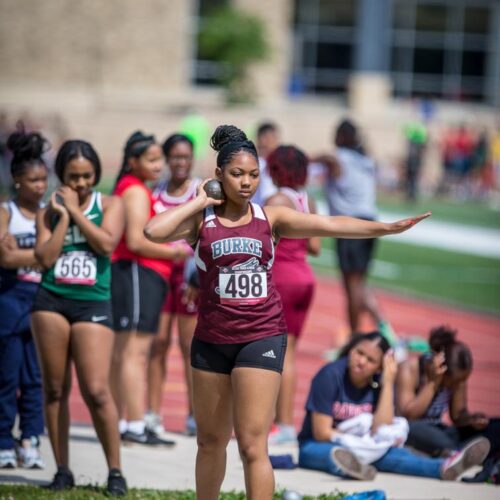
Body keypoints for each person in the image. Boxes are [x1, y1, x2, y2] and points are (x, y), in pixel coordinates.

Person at [144, 124, 431, 499]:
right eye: (236, 174)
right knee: (210, 442)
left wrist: (386, 228)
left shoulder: (271, 219)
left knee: (251, 446)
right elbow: (153, 231)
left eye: (252, 175)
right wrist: (199, 201)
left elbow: (330, 225)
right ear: (218, 176)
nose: (246, 182)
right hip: (212, 340)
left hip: (261, 337)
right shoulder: (202, 221)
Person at [31, 139, 127, 494]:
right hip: (52, 300)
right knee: (55, 389)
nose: (82, 183)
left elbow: (105, 244)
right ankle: (62, 468)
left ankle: (115, 471)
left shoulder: (111, 204)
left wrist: (79, 213)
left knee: (97, 390)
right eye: (73, 177)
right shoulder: (48, 210)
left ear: (96, 174)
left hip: (93, 303)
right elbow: (44, 258)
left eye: (87, 176)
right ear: (62, 177)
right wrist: (64, 217)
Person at [297, 331, 490, 481]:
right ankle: (353, 468)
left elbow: (382, 428)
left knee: (394, 455)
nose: (361, 361)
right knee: (337, 455)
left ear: (380, 366)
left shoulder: (379, 382)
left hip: (364, 446)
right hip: (318, 446)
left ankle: (444, 467)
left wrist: (388, 383)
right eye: (359, 353)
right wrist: (356, 444)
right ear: (351, 350)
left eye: (370, 360)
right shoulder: (330, 375)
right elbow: (321, 433)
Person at [110, 131, 188, 446]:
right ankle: (135, 423)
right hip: (139, 275)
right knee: (134, 353)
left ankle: (121, 420)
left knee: (126, 352)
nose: (159, 165)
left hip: (140, 275)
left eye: (160, 159)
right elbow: (137, 239)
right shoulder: (136, 191)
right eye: (152, 159)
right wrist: (175, 252)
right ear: (133, 162)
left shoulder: (135, 189)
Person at [316, 119, 396, 343]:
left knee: (351, 286)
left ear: (342, 136)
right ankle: (382, 327)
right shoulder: (365, 158)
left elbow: (329, 158)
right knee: (359, 284)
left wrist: (303, 159)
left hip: (350, 225)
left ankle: (355, 338)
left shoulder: (340, 156)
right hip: (369, 223)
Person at [265, 145, 320, 445]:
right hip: (304, 278)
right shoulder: (307, 199)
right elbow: (316, 247)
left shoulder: (276, 200)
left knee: (276, 352)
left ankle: (281, 423)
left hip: (281, 279)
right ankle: (284, 422)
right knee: (291, 354)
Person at [146, 133, 201, 437]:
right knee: (157, 344)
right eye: (176, 157)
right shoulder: (155, 192)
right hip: (159, 273)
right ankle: (152, 412)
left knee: (189, 347)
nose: (181, 162)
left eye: (186, 156)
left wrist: (198, 276)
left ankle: (195, 414)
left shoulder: (200, 191)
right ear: (168, 159)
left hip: (191, 277)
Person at [396, 325, 500, 482]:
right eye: (454, 382)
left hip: (439, 431)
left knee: (496, 427)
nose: (457, 386)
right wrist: (432, 383)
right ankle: (458, 454)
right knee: (414, 429)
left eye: (462, 381)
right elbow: (408, 415)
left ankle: (460, 453)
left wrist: (471, 420)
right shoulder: (410, 369)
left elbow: (457, 415)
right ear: (442, 368)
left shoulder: (457, 379)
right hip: (409, 431)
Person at [0, 128, 48, 469]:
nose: (41, 187)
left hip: (42, 301)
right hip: (9, 302)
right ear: (18, 180)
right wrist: (40, 254)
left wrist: (25, 253)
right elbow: (5, 260)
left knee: (36, 378)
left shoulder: (49, 213)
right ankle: (4, 439)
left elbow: (51, 258)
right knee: (7, 375)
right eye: (33, 181)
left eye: (44, 180)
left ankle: (31, 438)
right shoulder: (6, 212)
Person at [252, 121, 279, 206]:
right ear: (261, 139)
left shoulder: (278, 163)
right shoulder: (255, 162)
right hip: (259, 208)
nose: (273, 141)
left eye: (275, 138)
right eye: (269, 138)